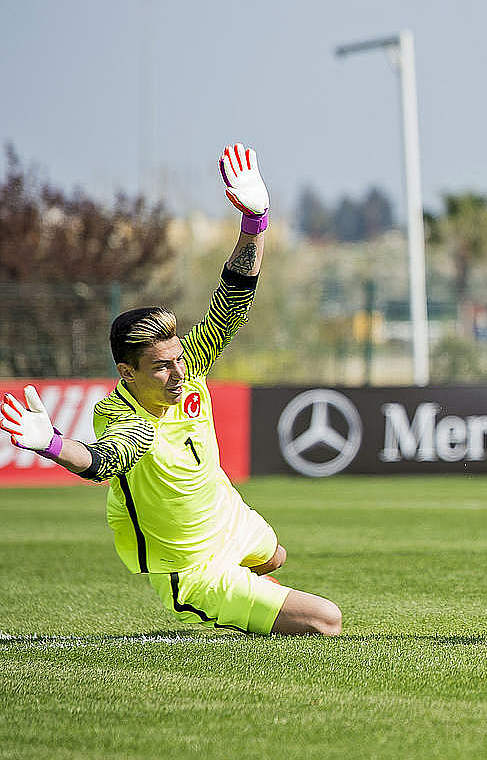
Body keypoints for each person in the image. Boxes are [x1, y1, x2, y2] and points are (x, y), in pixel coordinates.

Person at [0, 144, 342, 636]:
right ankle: (220, 599)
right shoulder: (123, 416)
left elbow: (233, 302)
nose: (179, 373)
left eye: (179, 358)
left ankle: (247, 589)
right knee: (326, 622)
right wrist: (53, 444)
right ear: (126, 373)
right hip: (192, 567)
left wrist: (255, 222)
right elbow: (103, 461)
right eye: (161, 367)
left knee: (276, 555)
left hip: (229, 519)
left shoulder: (190, 367)